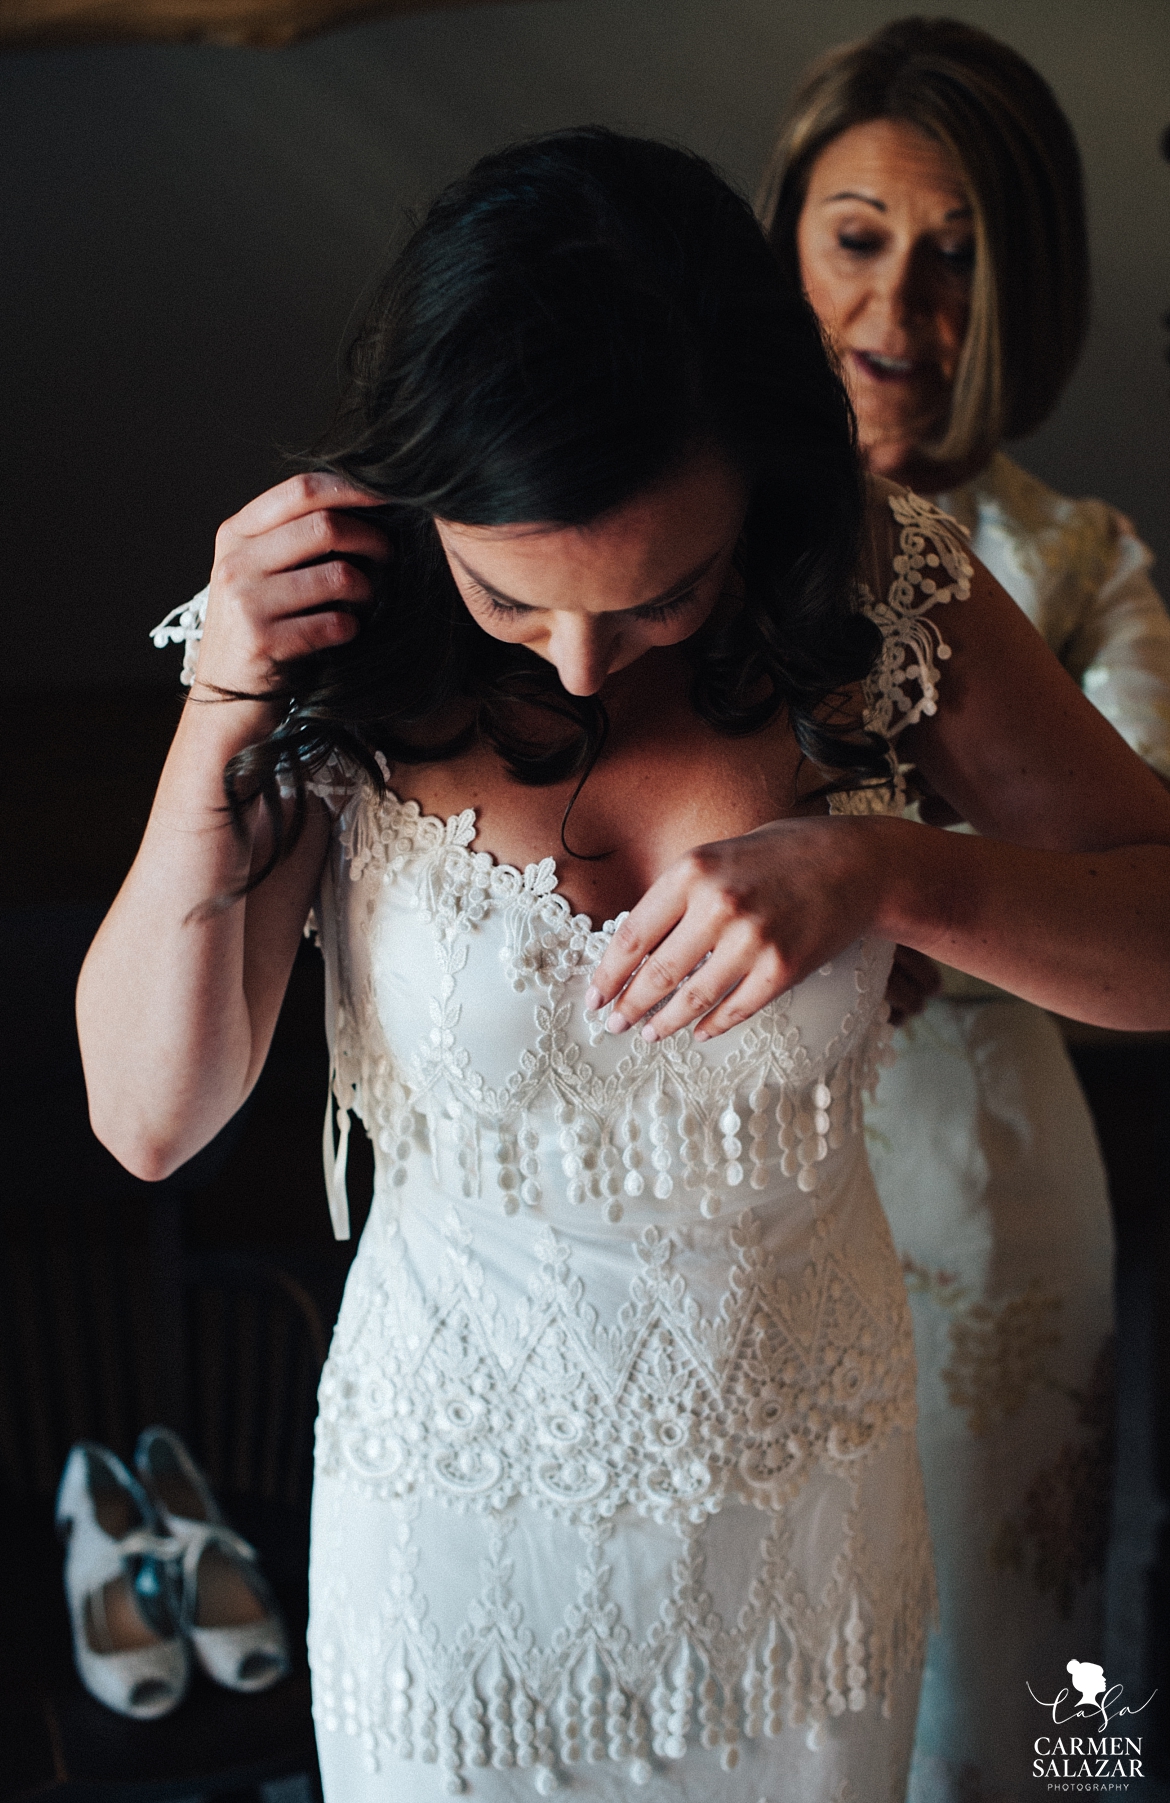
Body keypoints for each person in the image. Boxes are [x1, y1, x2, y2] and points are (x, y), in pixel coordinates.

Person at [78, 129, 1170, 1802]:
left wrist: (893, 871)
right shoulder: (333, 639)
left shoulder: (878, 589)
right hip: (459, 1538)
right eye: (515, 596)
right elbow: (152, 1120)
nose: (585, 659)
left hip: (805, 1528)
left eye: (664, 596)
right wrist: (222, 707)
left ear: (761, 488)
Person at [758, 18, 1170, 1801]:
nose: (902, 314)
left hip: (993, 1197)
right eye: (859, 238)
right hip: (738, 1215)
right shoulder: (691, 541)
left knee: (1042, 1667)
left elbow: (1133, 942)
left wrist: (909, 888)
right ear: (785, 240)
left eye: (957, 258)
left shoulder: (1082, 566)